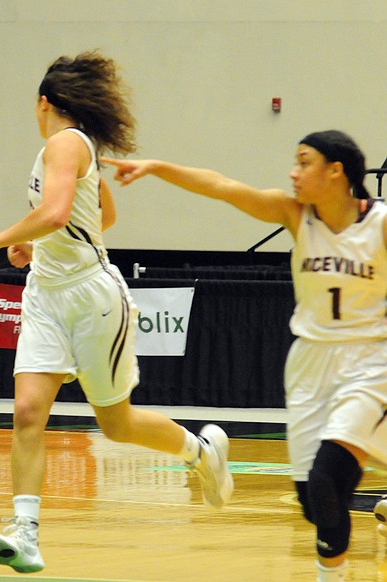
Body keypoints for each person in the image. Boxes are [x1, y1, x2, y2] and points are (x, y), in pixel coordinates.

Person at [0, 51, 234, 574]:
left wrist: (1, 238)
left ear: (44, 102)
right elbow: (97, 212)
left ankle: (200, 451)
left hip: (90, 295)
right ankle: (27, 534)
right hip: (45, 291)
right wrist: (38, 248)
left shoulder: (65, 142)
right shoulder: (64, 148)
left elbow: (59, 212)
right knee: (26, 414)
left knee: (116, 423)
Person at [103, 129, 385, 582]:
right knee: (315, 505)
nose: (293, 173)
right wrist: (157, 168)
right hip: (310, 365)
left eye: (304, 162)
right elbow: (221, 187)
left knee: (328, 481)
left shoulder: (380, 223)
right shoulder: (296, 215)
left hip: (368, 364)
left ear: (336, 171)